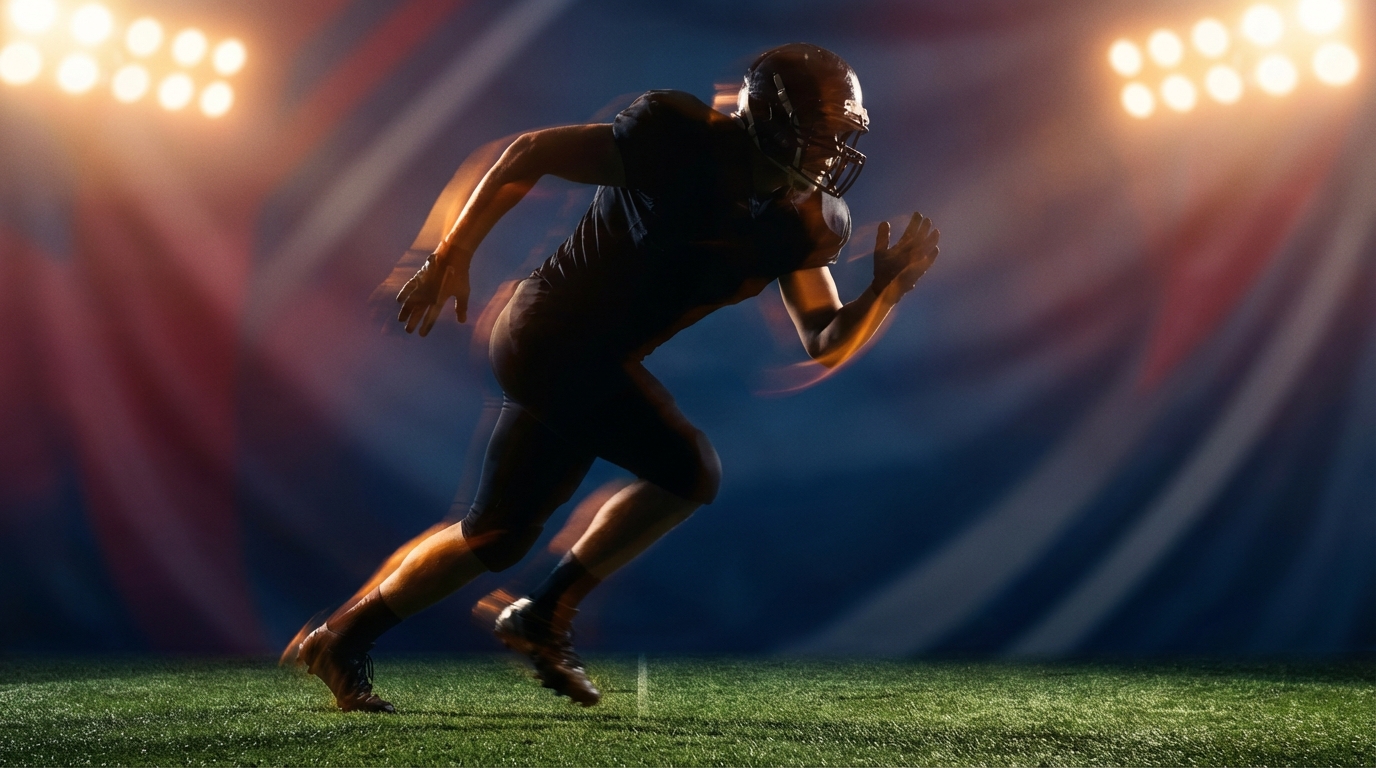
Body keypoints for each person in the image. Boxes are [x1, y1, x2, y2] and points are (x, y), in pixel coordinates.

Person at [285, 42, 940, 713]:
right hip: (545, 331)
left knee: (497, 535)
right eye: (823, 135)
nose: (832, 155)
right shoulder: (677, 140)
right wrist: (450, 252)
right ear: (770, 120)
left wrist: (883, 292)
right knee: (689, 471)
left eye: (841, 139)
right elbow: (529, 152)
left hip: (596, 360)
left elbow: (825, 338)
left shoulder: (805, 223)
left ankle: (342, 637)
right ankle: (542, 617)